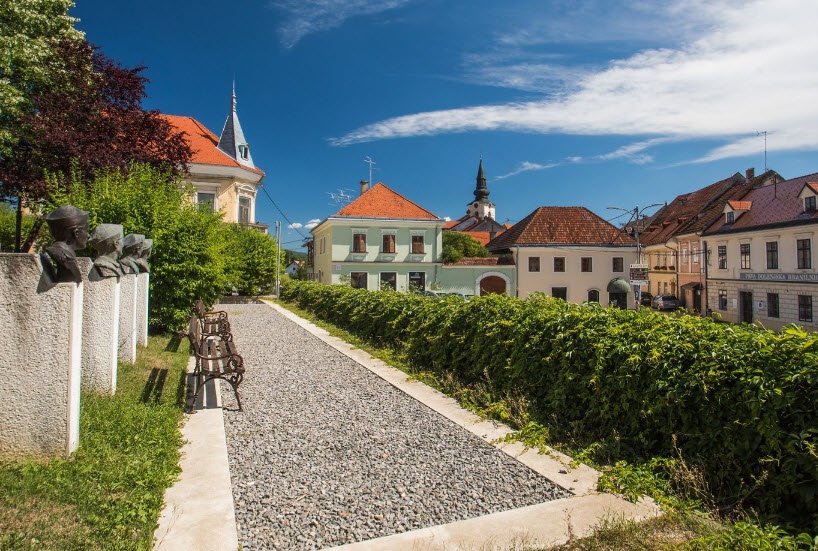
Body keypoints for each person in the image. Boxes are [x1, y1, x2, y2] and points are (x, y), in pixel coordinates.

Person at [43, 205, 89, 283]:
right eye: (86, 230)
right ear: (76, 233)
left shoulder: (67, 255)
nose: (88, 235)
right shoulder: (66, 258)